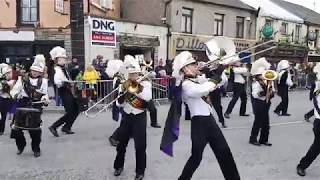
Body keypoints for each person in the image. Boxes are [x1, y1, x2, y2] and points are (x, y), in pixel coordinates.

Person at [172, 51, 240, 180]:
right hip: (199, 123)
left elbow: (221, 82)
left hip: (210, 120)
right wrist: (217, 73)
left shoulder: (198, 79)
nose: (196, 65)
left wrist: (212, 71)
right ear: (185, 69)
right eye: (193, 64)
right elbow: (204, 89)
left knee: (224, 152)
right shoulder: (186, 85)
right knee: (196, 157)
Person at [113, 55, 152, 180]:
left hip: (139, 117)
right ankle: (118, 166)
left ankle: (140, 171)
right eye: (130, 74)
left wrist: (133, 88)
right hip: (126, 117)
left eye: (135, 74)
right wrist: (122, 95)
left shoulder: (145, 83)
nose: (133, 76)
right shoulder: (123, 85)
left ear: (139, 74)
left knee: (140, 146)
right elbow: (119, 104)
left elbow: (147, 98)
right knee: (121, 144)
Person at [10, 60, 49, 157]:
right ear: (30, 70)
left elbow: (45, 93)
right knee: (17, 128)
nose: (35, 73)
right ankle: (21, 145)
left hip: (35, 104)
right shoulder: (22, 79)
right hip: (23, 103)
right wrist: (14, 94)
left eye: (37, 71)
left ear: (40, 72)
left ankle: (36, 148)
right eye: (33, 70)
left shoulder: (44, 81)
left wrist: (45, 99)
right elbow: (16, 89)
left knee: (35, 129)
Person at [48, 46, 79, 137]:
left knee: (76, 110)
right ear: (56, 60)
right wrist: (67, 83)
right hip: (64, 91)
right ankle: (54, 126)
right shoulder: (56, 69)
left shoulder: (63, 68)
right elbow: (57, 81)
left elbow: (67, 77)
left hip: (69, 90)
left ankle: (67, 127)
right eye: (62, 58)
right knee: (70, 112)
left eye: (64, 58)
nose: (64, 59)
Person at [297, 63, 320, 176]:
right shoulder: (319, 86)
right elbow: (317, 104)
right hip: (319, 121)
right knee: (317, 147)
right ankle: (302, 166)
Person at [249, 58, 274, 146]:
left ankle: (263, 140)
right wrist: (264, 93)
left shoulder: (269, 81)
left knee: (266, 123)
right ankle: (253, 139)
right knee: (258, 122)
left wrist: (271, 93)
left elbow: (272, 91)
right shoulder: (256, 82)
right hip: (259, 103)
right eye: (262, 74)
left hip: (266, 103)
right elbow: (255, 95)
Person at [0, 64, 14, 135]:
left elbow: (12, 91)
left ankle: (1, 130)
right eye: (7, 73)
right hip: (1, 98)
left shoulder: (11, 82)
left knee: (3, 115)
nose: (9, 74)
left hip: (6, 99)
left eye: (10, 73)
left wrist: (8, 85)